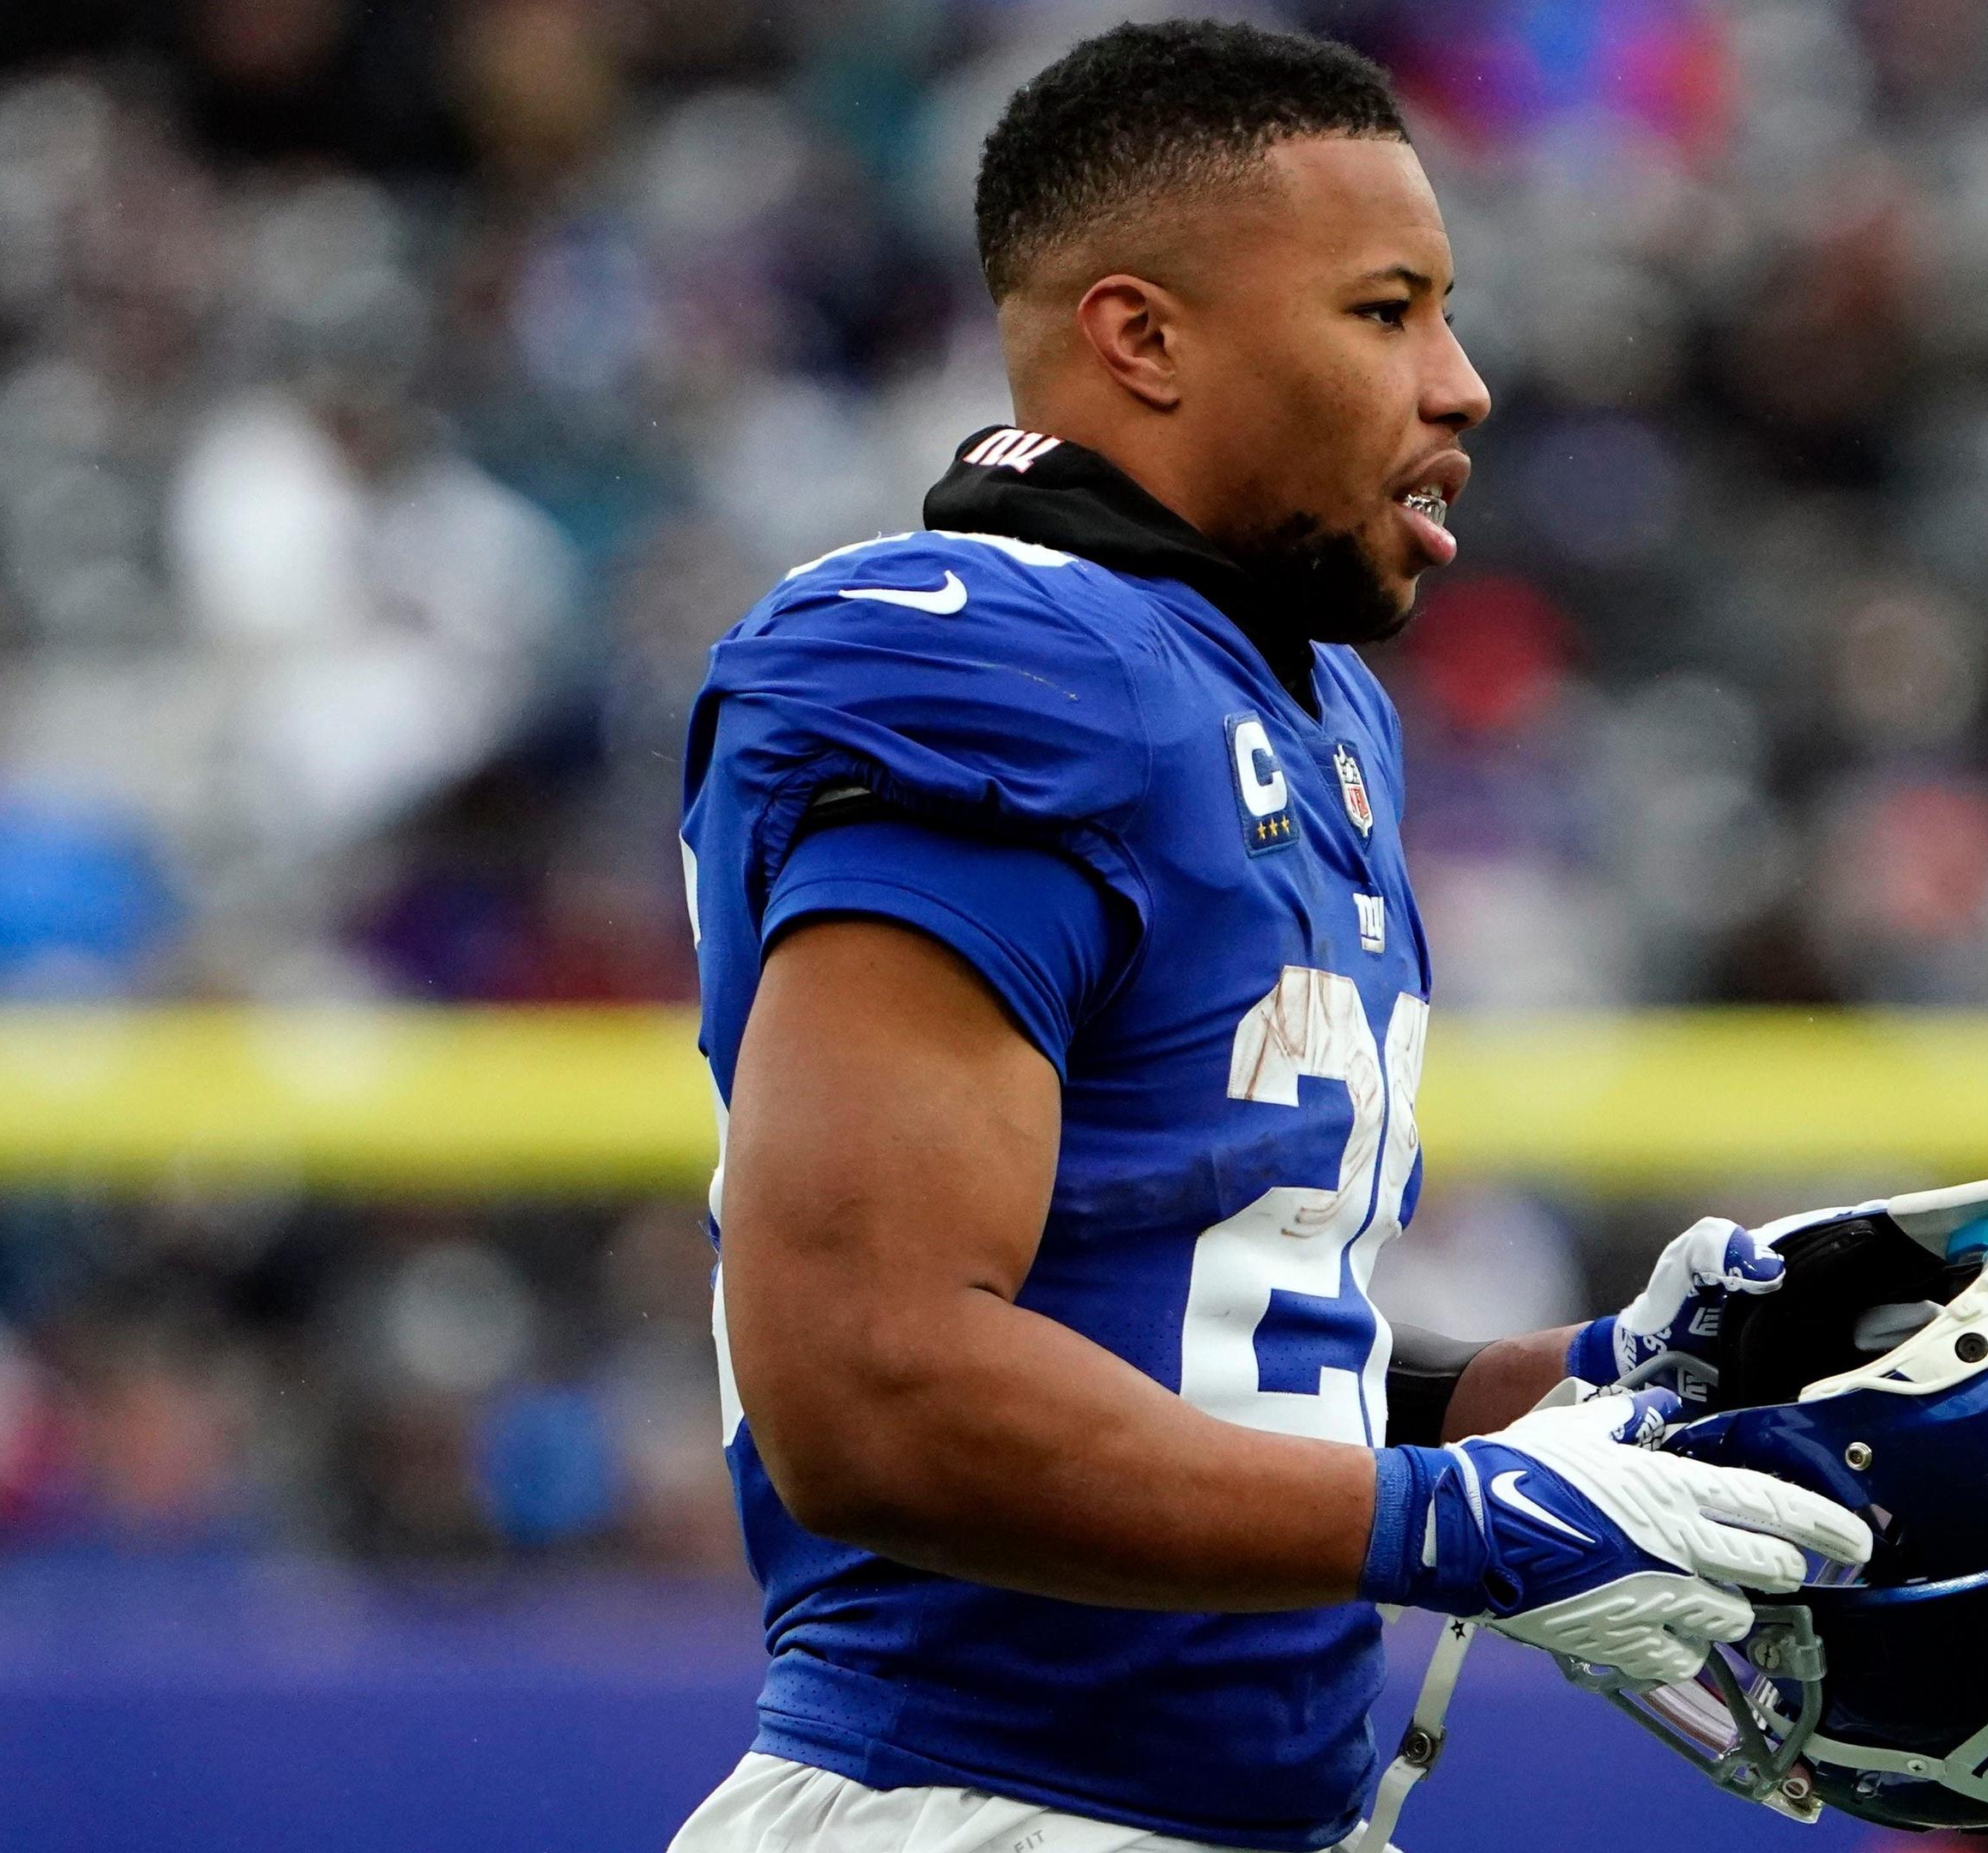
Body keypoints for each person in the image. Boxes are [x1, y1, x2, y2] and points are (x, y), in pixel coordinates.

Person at [668, 22, 1870, 1853]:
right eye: (1386, 312)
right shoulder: (987, 656)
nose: (1460, 385)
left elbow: (1187, 1330)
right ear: (1141, 338)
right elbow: (874, 1382)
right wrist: (1460, 1526)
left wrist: (1568, 1396)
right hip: (976, 1805)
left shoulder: (1304, 701)